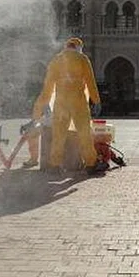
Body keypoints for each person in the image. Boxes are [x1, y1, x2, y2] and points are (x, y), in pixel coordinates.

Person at [36, 37, 106, 175]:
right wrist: (96, 100)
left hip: (61, 102)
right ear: (79, 47)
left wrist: (43, 103)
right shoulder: (82, 59)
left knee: (58, 135)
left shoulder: (56, 60)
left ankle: (55, 165)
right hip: (78, 102)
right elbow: (90, 81)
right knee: (84, 134)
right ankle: (91, 164)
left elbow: (48, 85)